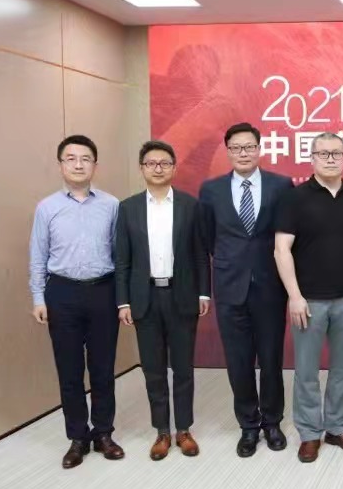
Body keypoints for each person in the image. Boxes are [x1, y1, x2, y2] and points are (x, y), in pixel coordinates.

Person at [274, 132, 343, 463]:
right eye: (323, 153)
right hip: (308, 300)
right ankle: (309, 433)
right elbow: (281, 250)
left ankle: (337, 427)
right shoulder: (294, 198)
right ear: (312, 158)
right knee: (306, 370)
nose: (330, 159)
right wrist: (294, 296)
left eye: (336, 153)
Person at [199, 122, 294, 458]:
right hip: (229, 287)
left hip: (270, 286)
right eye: (236, 148)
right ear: (228, 151)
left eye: (249, 147)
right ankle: (248, 426)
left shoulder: (281, 185)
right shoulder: (211, 190)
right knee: (238, 361)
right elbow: (207, 239)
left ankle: (272, 422)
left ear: (259, 149)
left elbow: (287, 236)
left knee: (271, 358)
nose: (243, 153)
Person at [29, 135, 124, 469]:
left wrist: (122, 299)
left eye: (86, 158)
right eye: (71, 158)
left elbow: (121, 255)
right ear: (61, 165)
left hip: (103, 291)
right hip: (62, 293)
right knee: (69, 370)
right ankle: (77, 438)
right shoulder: (47, 208)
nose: (79, 164)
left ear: (95, 165)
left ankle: (103, 433)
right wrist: (38, 297)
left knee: (103, 368)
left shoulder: (112, 205)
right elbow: (38, 256)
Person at [115, 140, 211, 461]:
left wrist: (203, 292)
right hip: (144, 299)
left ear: (173, 167)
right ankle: (161, 431)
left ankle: (183, 429)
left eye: (164, 163)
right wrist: (123, 302)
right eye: (151, 163)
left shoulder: (190, 205)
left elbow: (200, 254)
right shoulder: (127, 208)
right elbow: (122, 260)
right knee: (153, 370)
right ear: (142, 168)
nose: (158, 168)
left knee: (183, 368)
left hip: (181, 295)